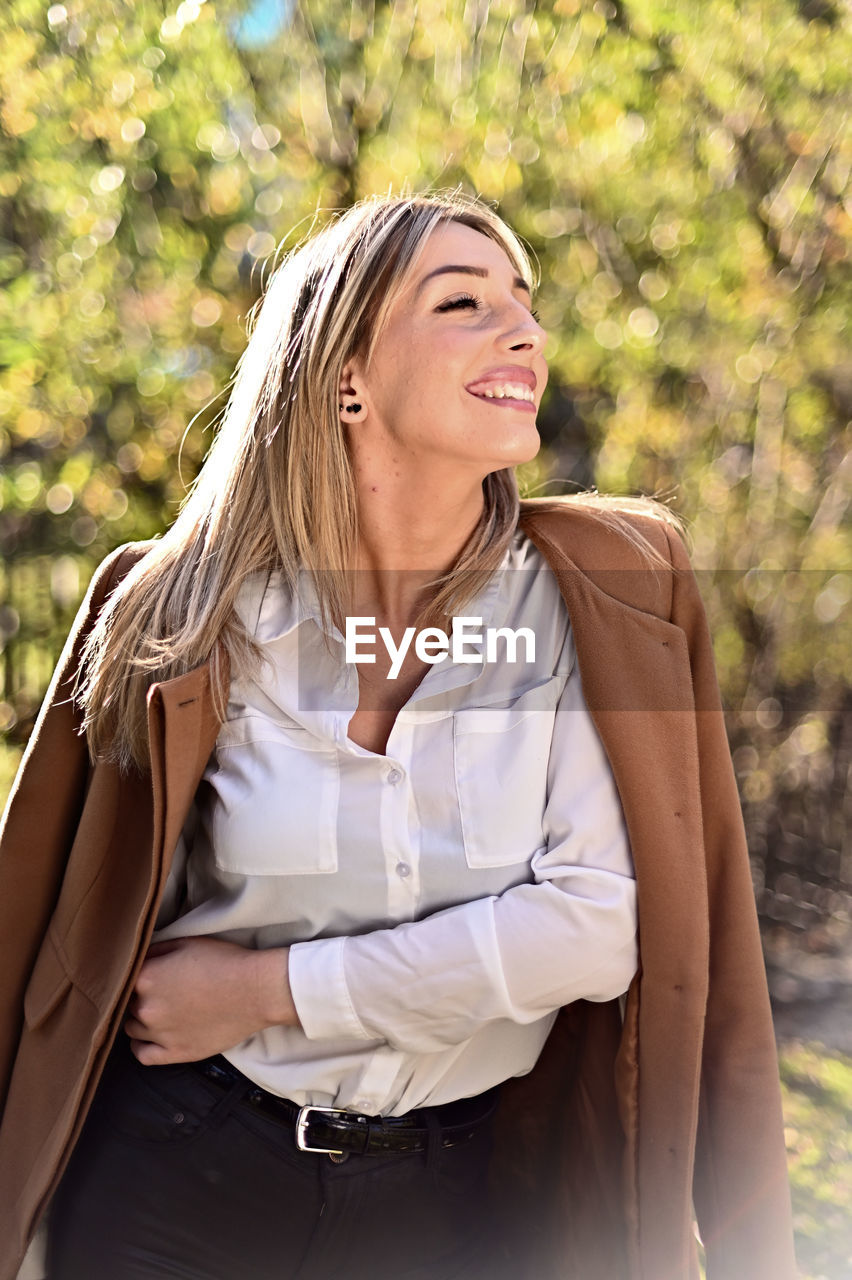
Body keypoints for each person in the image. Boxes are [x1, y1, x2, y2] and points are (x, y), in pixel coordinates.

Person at [0, 192, 795, 1280]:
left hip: (452, 1201)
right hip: (173, 1174)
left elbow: (593, 927)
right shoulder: (180, 614)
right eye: (463, 302)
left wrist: (263, 989)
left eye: (524, 301)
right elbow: (43, 933)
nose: (524, 330)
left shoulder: (595, 599)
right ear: (346, 377)